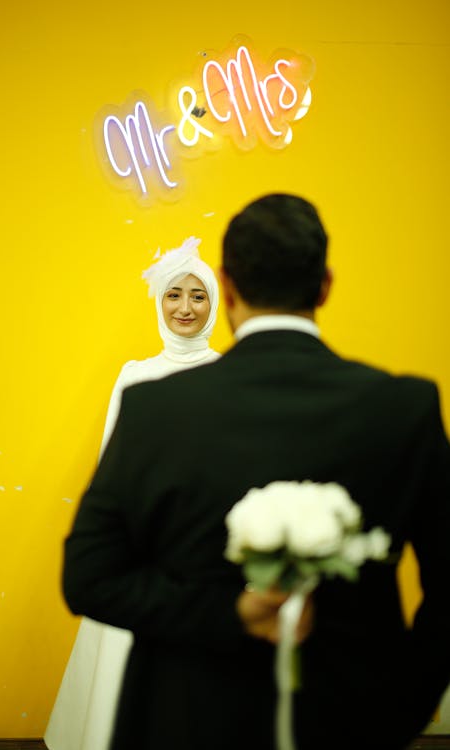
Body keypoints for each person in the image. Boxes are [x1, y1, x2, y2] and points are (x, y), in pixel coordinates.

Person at [61, 194, 450, 750]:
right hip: (351, 722)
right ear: (325, 286)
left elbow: (89, 578)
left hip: (185, 719)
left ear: (226, 287)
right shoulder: (404, 409)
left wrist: (230, 613)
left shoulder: (156, 410)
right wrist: (402, 705)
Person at [44, 237, 220, 750]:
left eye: (197, 295)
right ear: (159, 302)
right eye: (174, 295)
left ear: (214, 303)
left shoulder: (227, 375)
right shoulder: (135, 375)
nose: (185, 307)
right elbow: (111, 470)